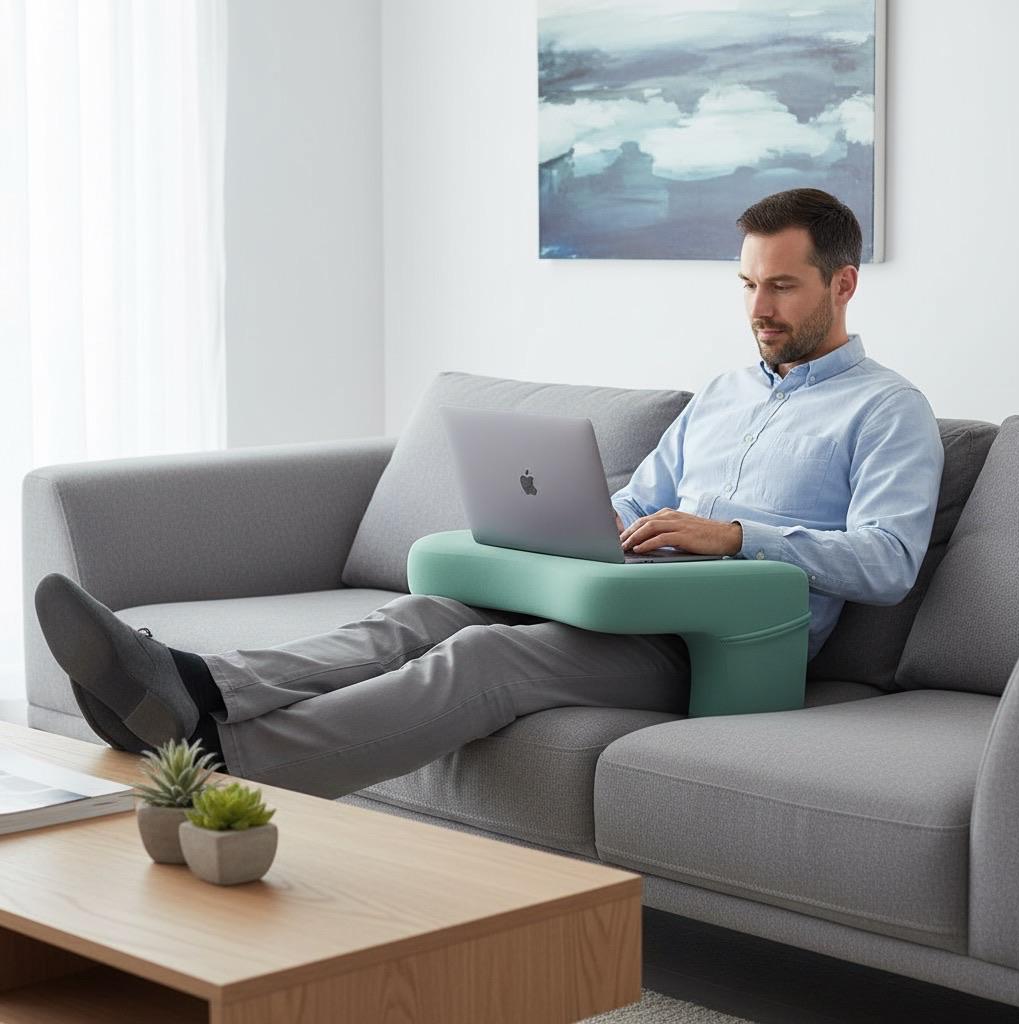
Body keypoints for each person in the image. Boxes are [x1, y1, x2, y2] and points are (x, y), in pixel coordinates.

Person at [34, 188, 944, 799]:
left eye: (783, 286)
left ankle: (216, 764)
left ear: (845, 283)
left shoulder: (888, 410)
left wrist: (735, 536)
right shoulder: (723, 392)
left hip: (722, 648)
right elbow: (642, 499)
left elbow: (890, 563)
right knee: (422, 616)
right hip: (633, 599)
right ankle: (198, 686)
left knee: (487, 661)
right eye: (748, 284)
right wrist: (591, 526)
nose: (759, 308)